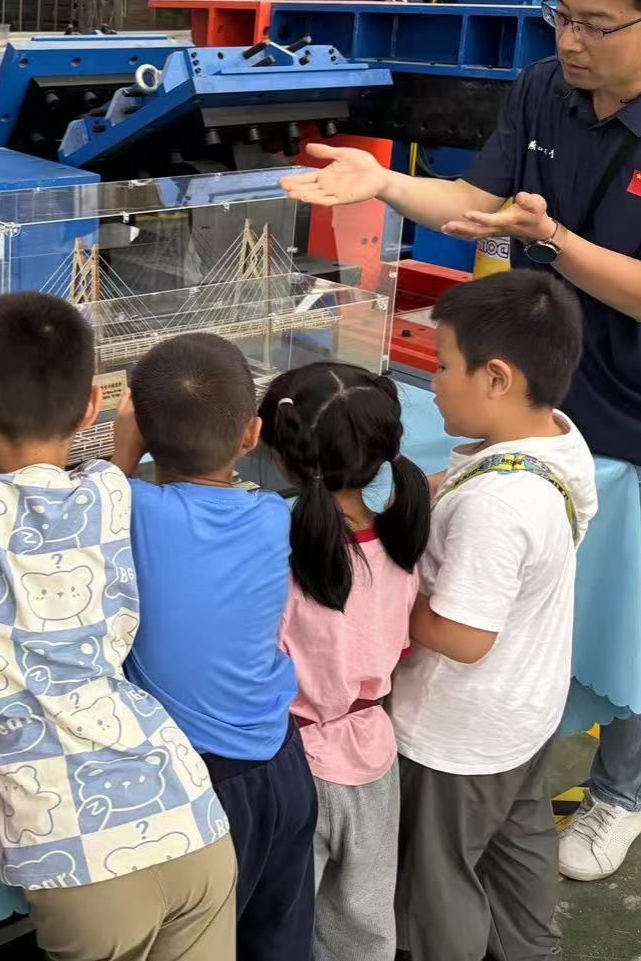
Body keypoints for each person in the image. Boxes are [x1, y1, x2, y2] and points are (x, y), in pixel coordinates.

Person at [281, 0, 641, 880]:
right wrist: (380, 185)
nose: (569, 40)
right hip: (530, 402)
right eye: (561, 14)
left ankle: (623, 791)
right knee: (519, 592)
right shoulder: (546, 87)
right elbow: (475, 203)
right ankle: (514, 749)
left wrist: (547, 238)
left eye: (596, 24)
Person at [0, 291, 236, 961]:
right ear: (91, 407)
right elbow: (82, 493)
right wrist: (125, 446)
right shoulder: (111, 489)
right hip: (190, 814)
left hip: (75, 854)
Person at [392, 270, 598, 961]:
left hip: (455, 736)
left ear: (498, 378)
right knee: (519, 850)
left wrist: (387, 596)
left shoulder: (497, 504)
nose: (434, 381)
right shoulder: (559, 443)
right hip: (523, 713)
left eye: (444, 364)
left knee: (437, 882)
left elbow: (463, 636)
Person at [110, 334, 312, 961]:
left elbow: (92, 507)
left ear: (145, 433)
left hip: (199, 783)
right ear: (251, 435)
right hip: (283, 764)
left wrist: (123, 451)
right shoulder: (271, 517)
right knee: (278, 940)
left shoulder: (130, 507)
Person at [259, 362, 430, 961]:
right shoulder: (402, 547)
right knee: (365, 921)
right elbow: (394, 648)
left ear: (280, 455)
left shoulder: (275, 555)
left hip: (291, 760)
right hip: (373, 758)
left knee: (281, 920)